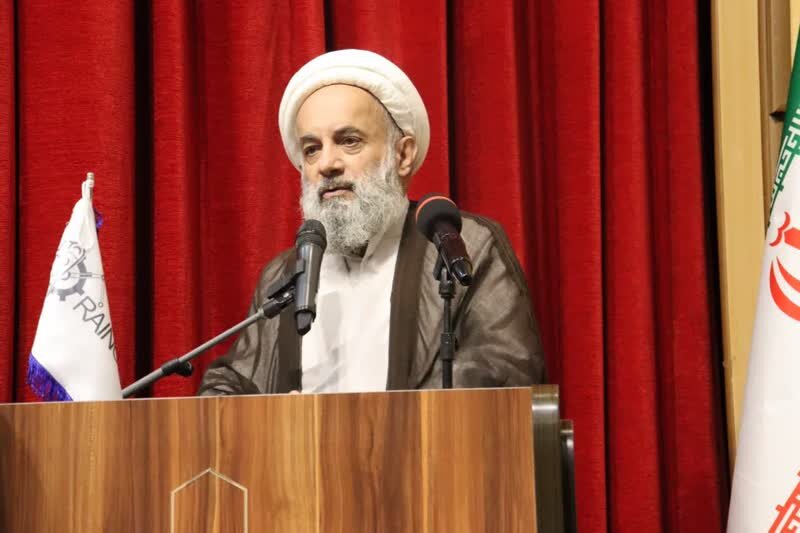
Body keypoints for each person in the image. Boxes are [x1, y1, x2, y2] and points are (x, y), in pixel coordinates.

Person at [198, 49, 545, 395]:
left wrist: (381, 421)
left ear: (402, 154)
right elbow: (235, 382)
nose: (327, 164)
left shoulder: (462, 246)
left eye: (349, 141)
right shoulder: (284, 276)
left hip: (423, 435)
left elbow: (506, 370)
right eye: (312, 149)